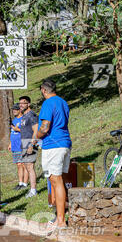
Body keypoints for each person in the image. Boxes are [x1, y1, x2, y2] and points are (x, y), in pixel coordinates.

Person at [36, 79, 72, 230]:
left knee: (56, 180)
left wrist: (36, 137)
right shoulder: (63, 102)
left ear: (44, 90)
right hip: (64, 143)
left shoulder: (48, 103)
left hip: (53, 145)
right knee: (57, 180)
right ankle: (58, 217)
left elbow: (44, 128)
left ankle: (61, 221)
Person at [18, 96, 39, 199]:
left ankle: (33, 190)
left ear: (28, 104)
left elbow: (36, 130)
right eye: (20, 103)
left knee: (30, 167)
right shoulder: (24, 116)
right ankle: (32, 188)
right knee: (26, 166)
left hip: (30, 143)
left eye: (23, 103)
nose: (21, 105)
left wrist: (32, 144)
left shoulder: (32, 115)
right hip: (23, 143)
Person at [8, 104, 28, 190]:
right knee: (19, 164)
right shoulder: (14, 120)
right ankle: (20, 183)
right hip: (15, 146)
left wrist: (18, 130)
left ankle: (25, 183)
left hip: (22, 145)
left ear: (20, 110)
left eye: (15, 109)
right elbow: (12, 132)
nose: (14, 111)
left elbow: (28, 131)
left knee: (24, 165)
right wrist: (10, 143)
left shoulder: (24, 119)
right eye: (13, 110)